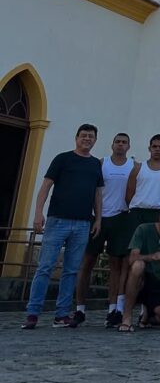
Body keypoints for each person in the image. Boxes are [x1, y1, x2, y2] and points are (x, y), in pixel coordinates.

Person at [21, 124, 104, 330]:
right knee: (45, 267)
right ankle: (33, 313)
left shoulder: (95, 164)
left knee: (71, 270)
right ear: (76, 138)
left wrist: (98, 219)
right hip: (57, 220)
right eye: (83, 135)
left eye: (91, 136)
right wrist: (38, 213)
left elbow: (97, 194)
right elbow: (46, 186)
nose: (87, 139)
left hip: (83, 223)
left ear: (95, 140)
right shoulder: (62, 159)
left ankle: (61, 314)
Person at [74, 131, 134, 327]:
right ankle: (80, 309)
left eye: (124, 142)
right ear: (112, 145)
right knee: (88, 261)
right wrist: (94, 215)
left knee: (116, 264)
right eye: (117, 141)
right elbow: (94, 189)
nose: (120, 145)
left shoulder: (133, 166)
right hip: (98, 217)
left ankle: (113, 310)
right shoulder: (102, 163)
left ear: (128, 146)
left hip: (121, 217)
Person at [118, 201, 160, 332]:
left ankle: (150, 314)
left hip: (158, 284)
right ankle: (127, 317)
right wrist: (153, 256)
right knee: (138, 265)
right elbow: (132, 258)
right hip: (140, 280)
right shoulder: (143, 229)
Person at [126, 134, 160, 227]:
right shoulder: (138, 168)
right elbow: (129, 194)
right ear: (149, 148)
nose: (157, 149)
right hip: (137, 212)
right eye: (154, 146)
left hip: (158, 213)